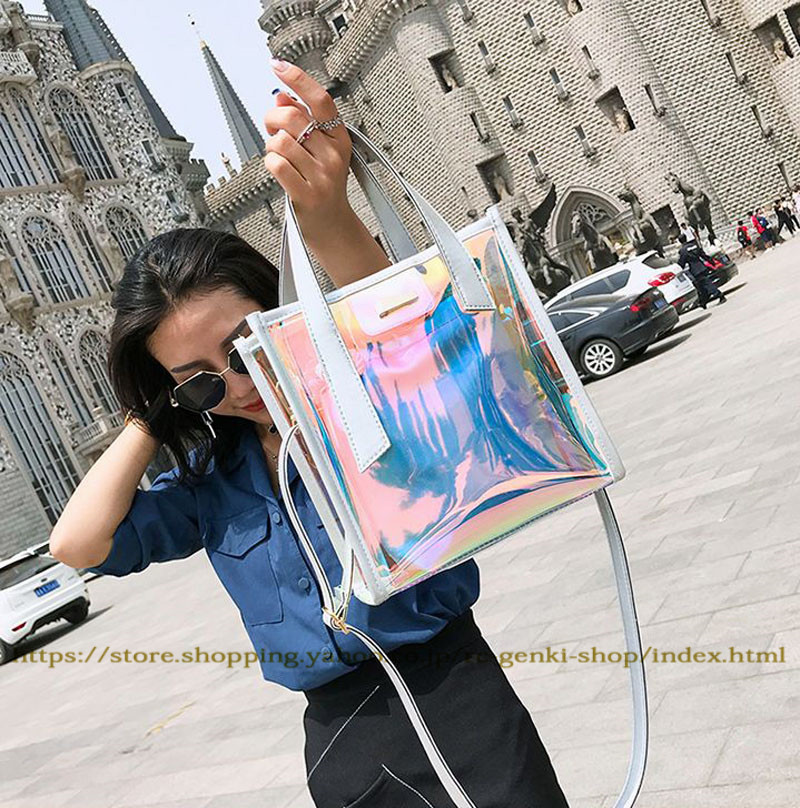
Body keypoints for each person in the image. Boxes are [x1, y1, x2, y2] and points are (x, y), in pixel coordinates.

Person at [49, 61, 570, 808]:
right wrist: (153, 411)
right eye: (200, 381)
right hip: (341, 744)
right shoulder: (211, 485)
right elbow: (77, 544)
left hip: (458, 696)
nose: (236, 384)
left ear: (279, 307)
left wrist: (329, 219)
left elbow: (419, 347)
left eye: (243, 346)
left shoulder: (370, 401)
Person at [677, 233, 727, 308]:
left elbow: (682, 262)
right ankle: (703, 302)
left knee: (706, 284)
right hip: (702, 266)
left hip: (695, 270)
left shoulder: (683, 250)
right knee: (701, 287)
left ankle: (719, 295)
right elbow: (703, 255)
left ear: (680, 241)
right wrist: (711, 262)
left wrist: (677, 268)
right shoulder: (694, 246)